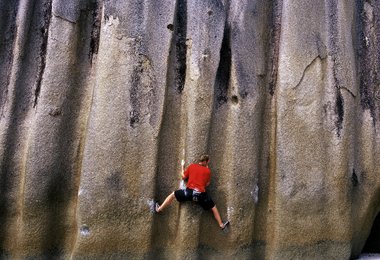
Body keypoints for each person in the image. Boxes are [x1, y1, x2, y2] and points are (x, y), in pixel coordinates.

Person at [155, 154, 229, 230]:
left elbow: (183, 177)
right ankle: (221, 225)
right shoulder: (208, 171)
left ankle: (159, 209)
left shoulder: (192, 166)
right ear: (207, 161)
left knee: (173, 194)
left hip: (189, 193)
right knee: (213, 207)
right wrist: (206, 169)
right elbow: (207, 184)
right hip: (201, 195)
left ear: (200, 161)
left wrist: (182, 166)